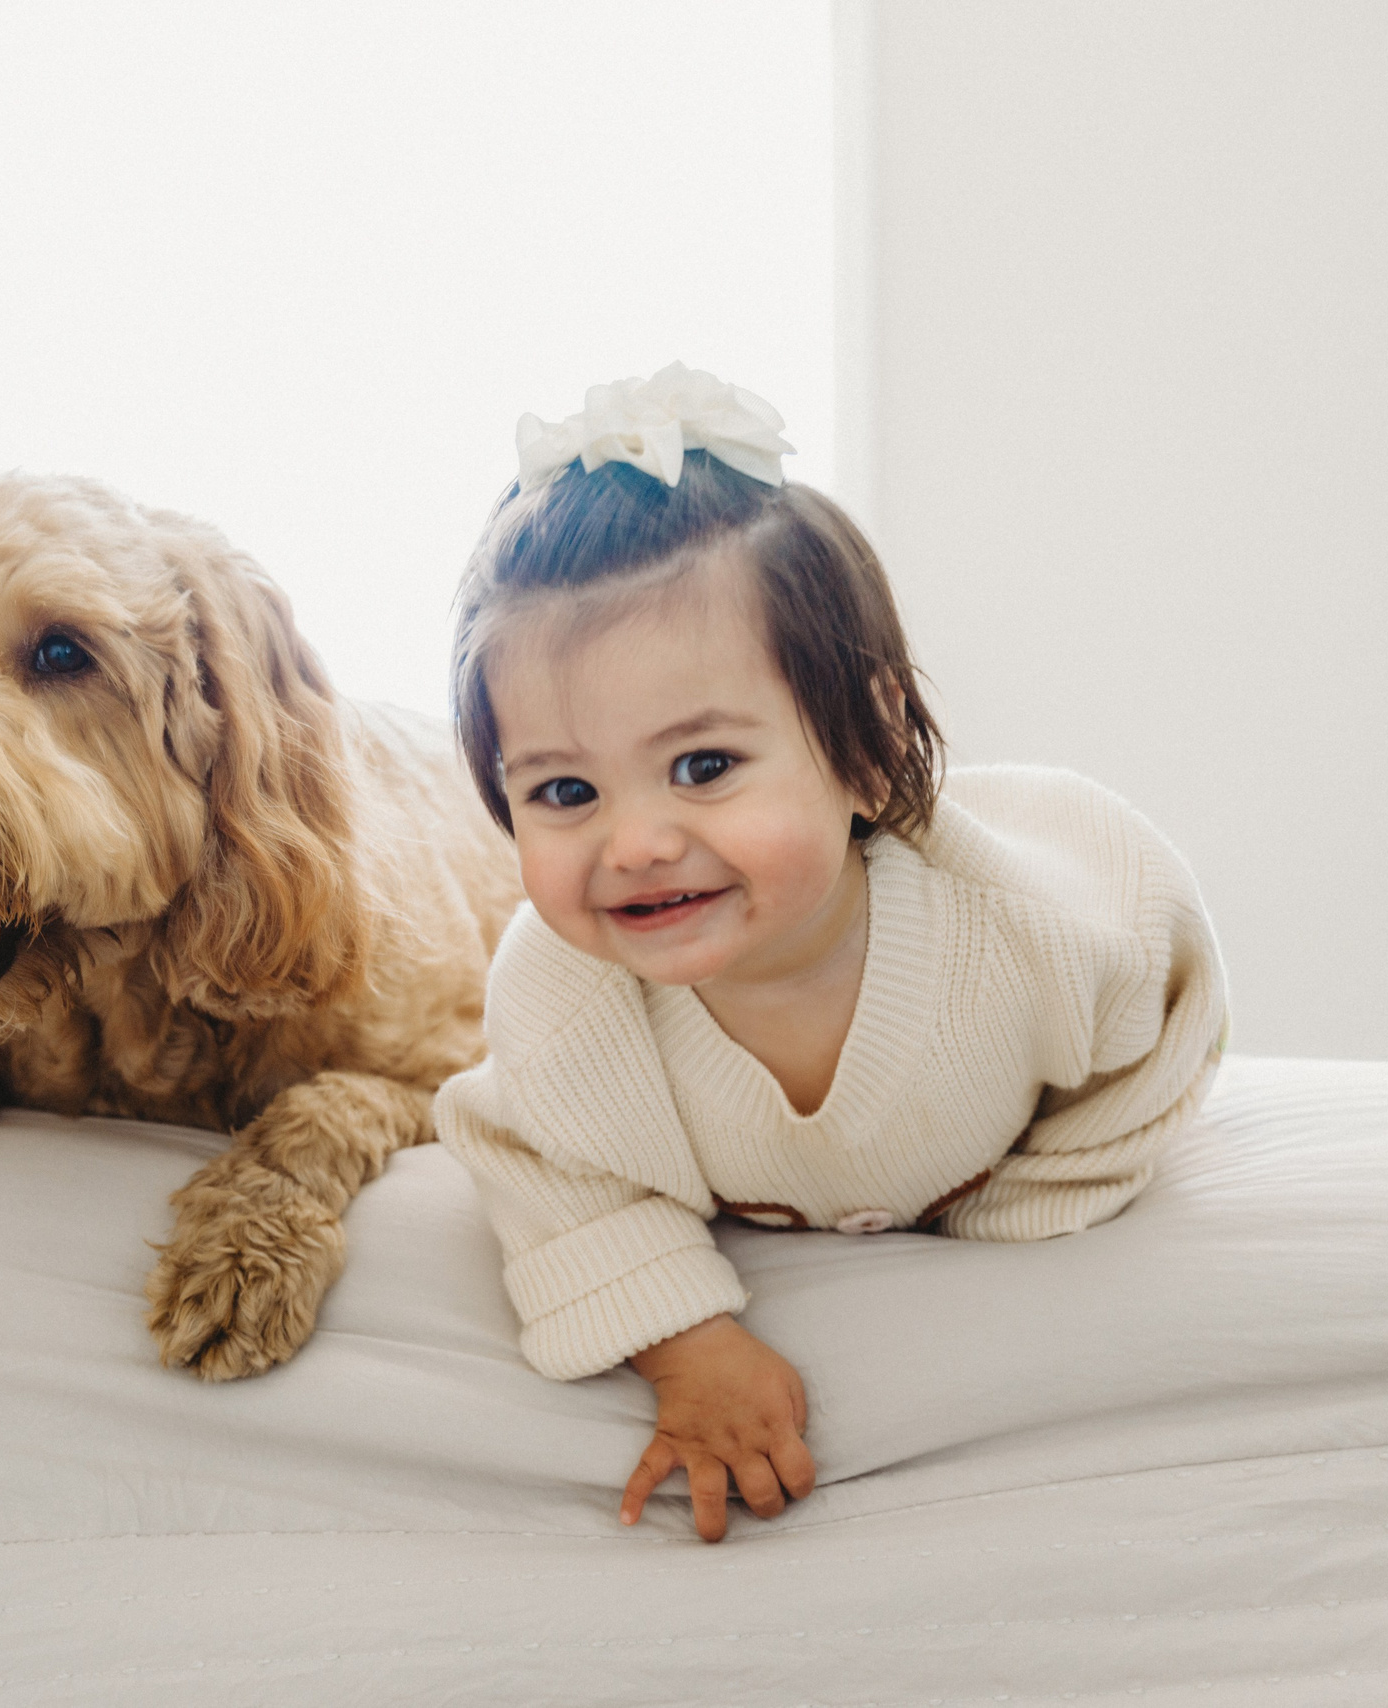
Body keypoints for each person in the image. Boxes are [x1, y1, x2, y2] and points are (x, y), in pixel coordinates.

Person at [435, 364, 1228, 1543]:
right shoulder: (562, 1000)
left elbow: (1161, 1020)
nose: (637, 843)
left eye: (703, 766)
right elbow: (539, 1163)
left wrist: (1018, 1205)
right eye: (563, 790)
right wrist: (685, 1341)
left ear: (866, 749)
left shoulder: (1033, 931)